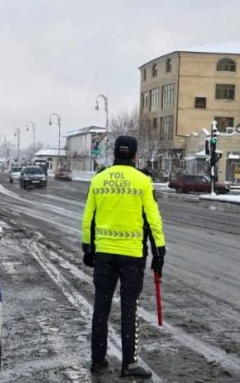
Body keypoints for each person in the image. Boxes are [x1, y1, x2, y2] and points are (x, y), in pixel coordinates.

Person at [81, 135, 166, 379]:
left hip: (104, 254)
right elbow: (153, 220)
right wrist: (159, 253)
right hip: (132, 256)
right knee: (129, 308)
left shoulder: (99, 179)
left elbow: (88, 217)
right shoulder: (143, 181)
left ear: (115, 153)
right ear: (135, 155)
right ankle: (129, 364)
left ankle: (98, 361)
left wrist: (88, 248)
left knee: (101, 306)